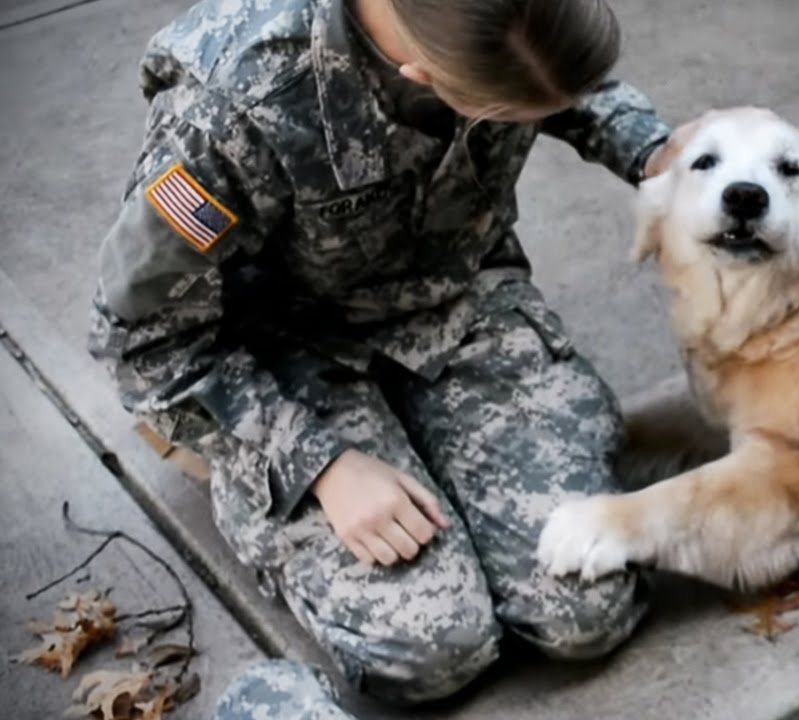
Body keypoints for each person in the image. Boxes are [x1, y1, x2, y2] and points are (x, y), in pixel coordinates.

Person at [89, 0, 672, 705]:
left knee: (584, 607)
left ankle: (424, 435)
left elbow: (552, 72)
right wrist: (317, 464)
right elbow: (142, 342)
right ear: (421, 74)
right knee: (434, 652)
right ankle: (225, 460)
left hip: (454, 301)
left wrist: (660, 154)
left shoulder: (510, 24)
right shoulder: (230, 107)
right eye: (497, 115)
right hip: (284, 357)